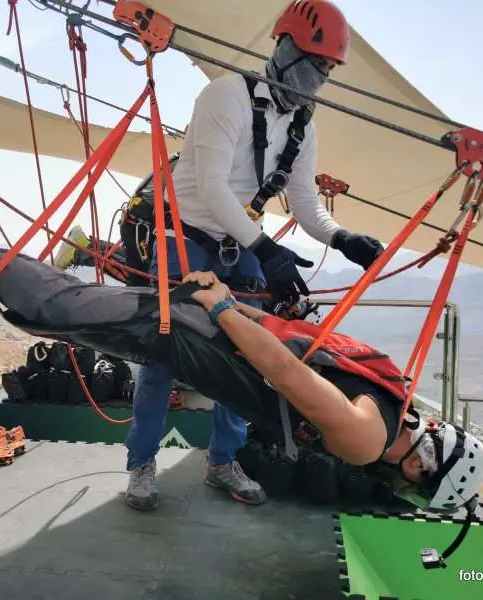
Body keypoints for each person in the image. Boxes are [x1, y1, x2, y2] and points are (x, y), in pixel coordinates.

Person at [0, 213, 483, 523]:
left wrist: (228, 312)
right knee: (52, 308)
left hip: (211, 336)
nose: (399, 487)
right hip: (203, 338)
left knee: (62, 311)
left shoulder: (392, 396)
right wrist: (222, 308)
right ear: (421, 461)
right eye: (413, 485)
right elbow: (287, 376)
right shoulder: (365, 440)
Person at [109, 0, 386, 510]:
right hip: (184, 236)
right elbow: (213, 190)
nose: (318, 79)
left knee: (248, 356)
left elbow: (304, 205)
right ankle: (142, 464)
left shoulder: (303, 125)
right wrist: (267, 252)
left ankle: (222, 461)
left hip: (242, 245)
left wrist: (342, 237)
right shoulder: (224, 97)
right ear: (283, 50)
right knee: (161, 355)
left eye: (327, 70)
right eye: (314, 63)